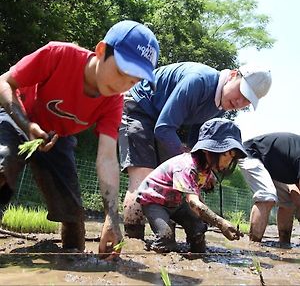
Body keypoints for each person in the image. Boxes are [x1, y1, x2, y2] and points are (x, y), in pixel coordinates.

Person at [0, 20, 159, 258]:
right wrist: (27, 124)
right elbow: (5, 82)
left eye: (133, 81)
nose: (121, 85)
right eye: (120, 72)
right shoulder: (59, 54)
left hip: (57, 138)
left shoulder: (114, 102)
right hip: (17, 116)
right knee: (4, 162)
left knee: (73, 215)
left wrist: (112, 218)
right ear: (102, 50)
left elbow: (107, 158)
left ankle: (69, 259)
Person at [118, 61, 272, 239]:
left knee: (172, 183)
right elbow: (164, 128)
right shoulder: (198, 81)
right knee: (144, 178)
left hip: (163, 121)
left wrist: (205, 171)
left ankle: (167, 241)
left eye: (247, 100)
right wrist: (191, 169)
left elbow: (198, 143)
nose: (239, 102)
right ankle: (133, 241)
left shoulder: (220, 107)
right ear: (232, 75)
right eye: (242, 92)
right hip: (139, 107)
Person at [136, 118, 247, 253]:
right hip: (155, 201)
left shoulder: (206, 168)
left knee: (198, 230)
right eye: (225, 154)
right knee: (166, 238)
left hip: (176, 202)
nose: (228, 162)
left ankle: (195, 253)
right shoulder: (187, 166)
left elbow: (197, 194)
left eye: (232, 157)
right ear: (207, 150)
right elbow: (193, 202)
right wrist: (220, 222)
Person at [238, 132, 300, 246]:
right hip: (251, 154)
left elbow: (295, 192)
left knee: (288, 202)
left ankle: (284, 244)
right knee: (267, 197)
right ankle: (253, 248)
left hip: (274, 166)